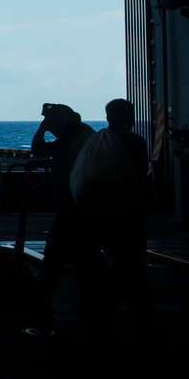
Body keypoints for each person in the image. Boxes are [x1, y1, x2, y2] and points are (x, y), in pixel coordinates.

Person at [74, 98, 154, 330]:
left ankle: (99, 308)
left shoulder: (96, 141)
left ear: (108, 118)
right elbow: (139, 177)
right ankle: (132, 312)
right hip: (127, 214)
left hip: (97, 214)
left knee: (118, 264)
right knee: (131, 264)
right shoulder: (136, 142)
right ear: (129, 117)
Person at [30, 102, 97, 320]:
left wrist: (42, 127)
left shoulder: (67, 142)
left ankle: (43, 303)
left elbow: (37, 148)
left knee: (53, 259)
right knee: (86, 260)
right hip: (90, 209)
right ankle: (89, 304)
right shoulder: (88, 136)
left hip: (70, 211)